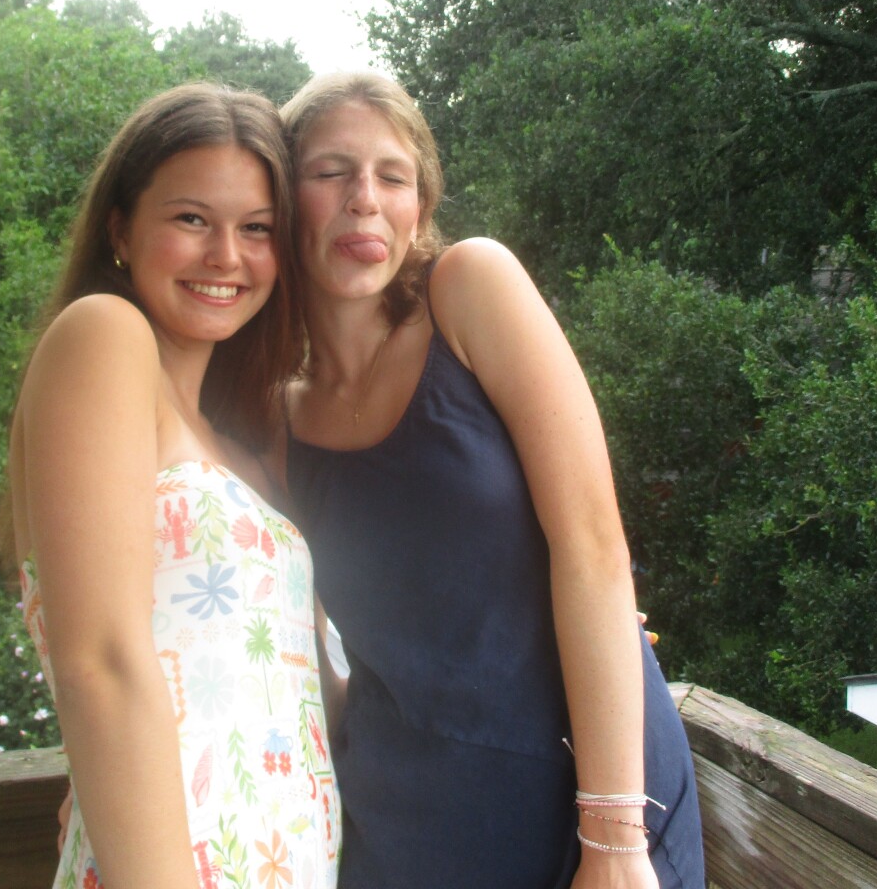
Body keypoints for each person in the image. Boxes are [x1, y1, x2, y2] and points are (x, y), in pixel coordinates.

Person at [275, 71, 705, 889]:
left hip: (590, 796)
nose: (365, 199)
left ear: (421, 207)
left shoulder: (470, 289)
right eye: (330, 172)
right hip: (404, 822)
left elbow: (593, 548)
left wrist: (615, 842)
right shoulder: (275, 417)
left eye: (393, 176)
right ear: (283, 198)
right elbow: (281, 639)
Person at [4, 84, 340, 889]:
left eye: (256, 228)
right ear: (120, 229)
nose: (226, 255)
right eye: (192, 219)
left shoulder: (245, 446)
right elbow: (101, 665)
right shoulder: (104, 336)